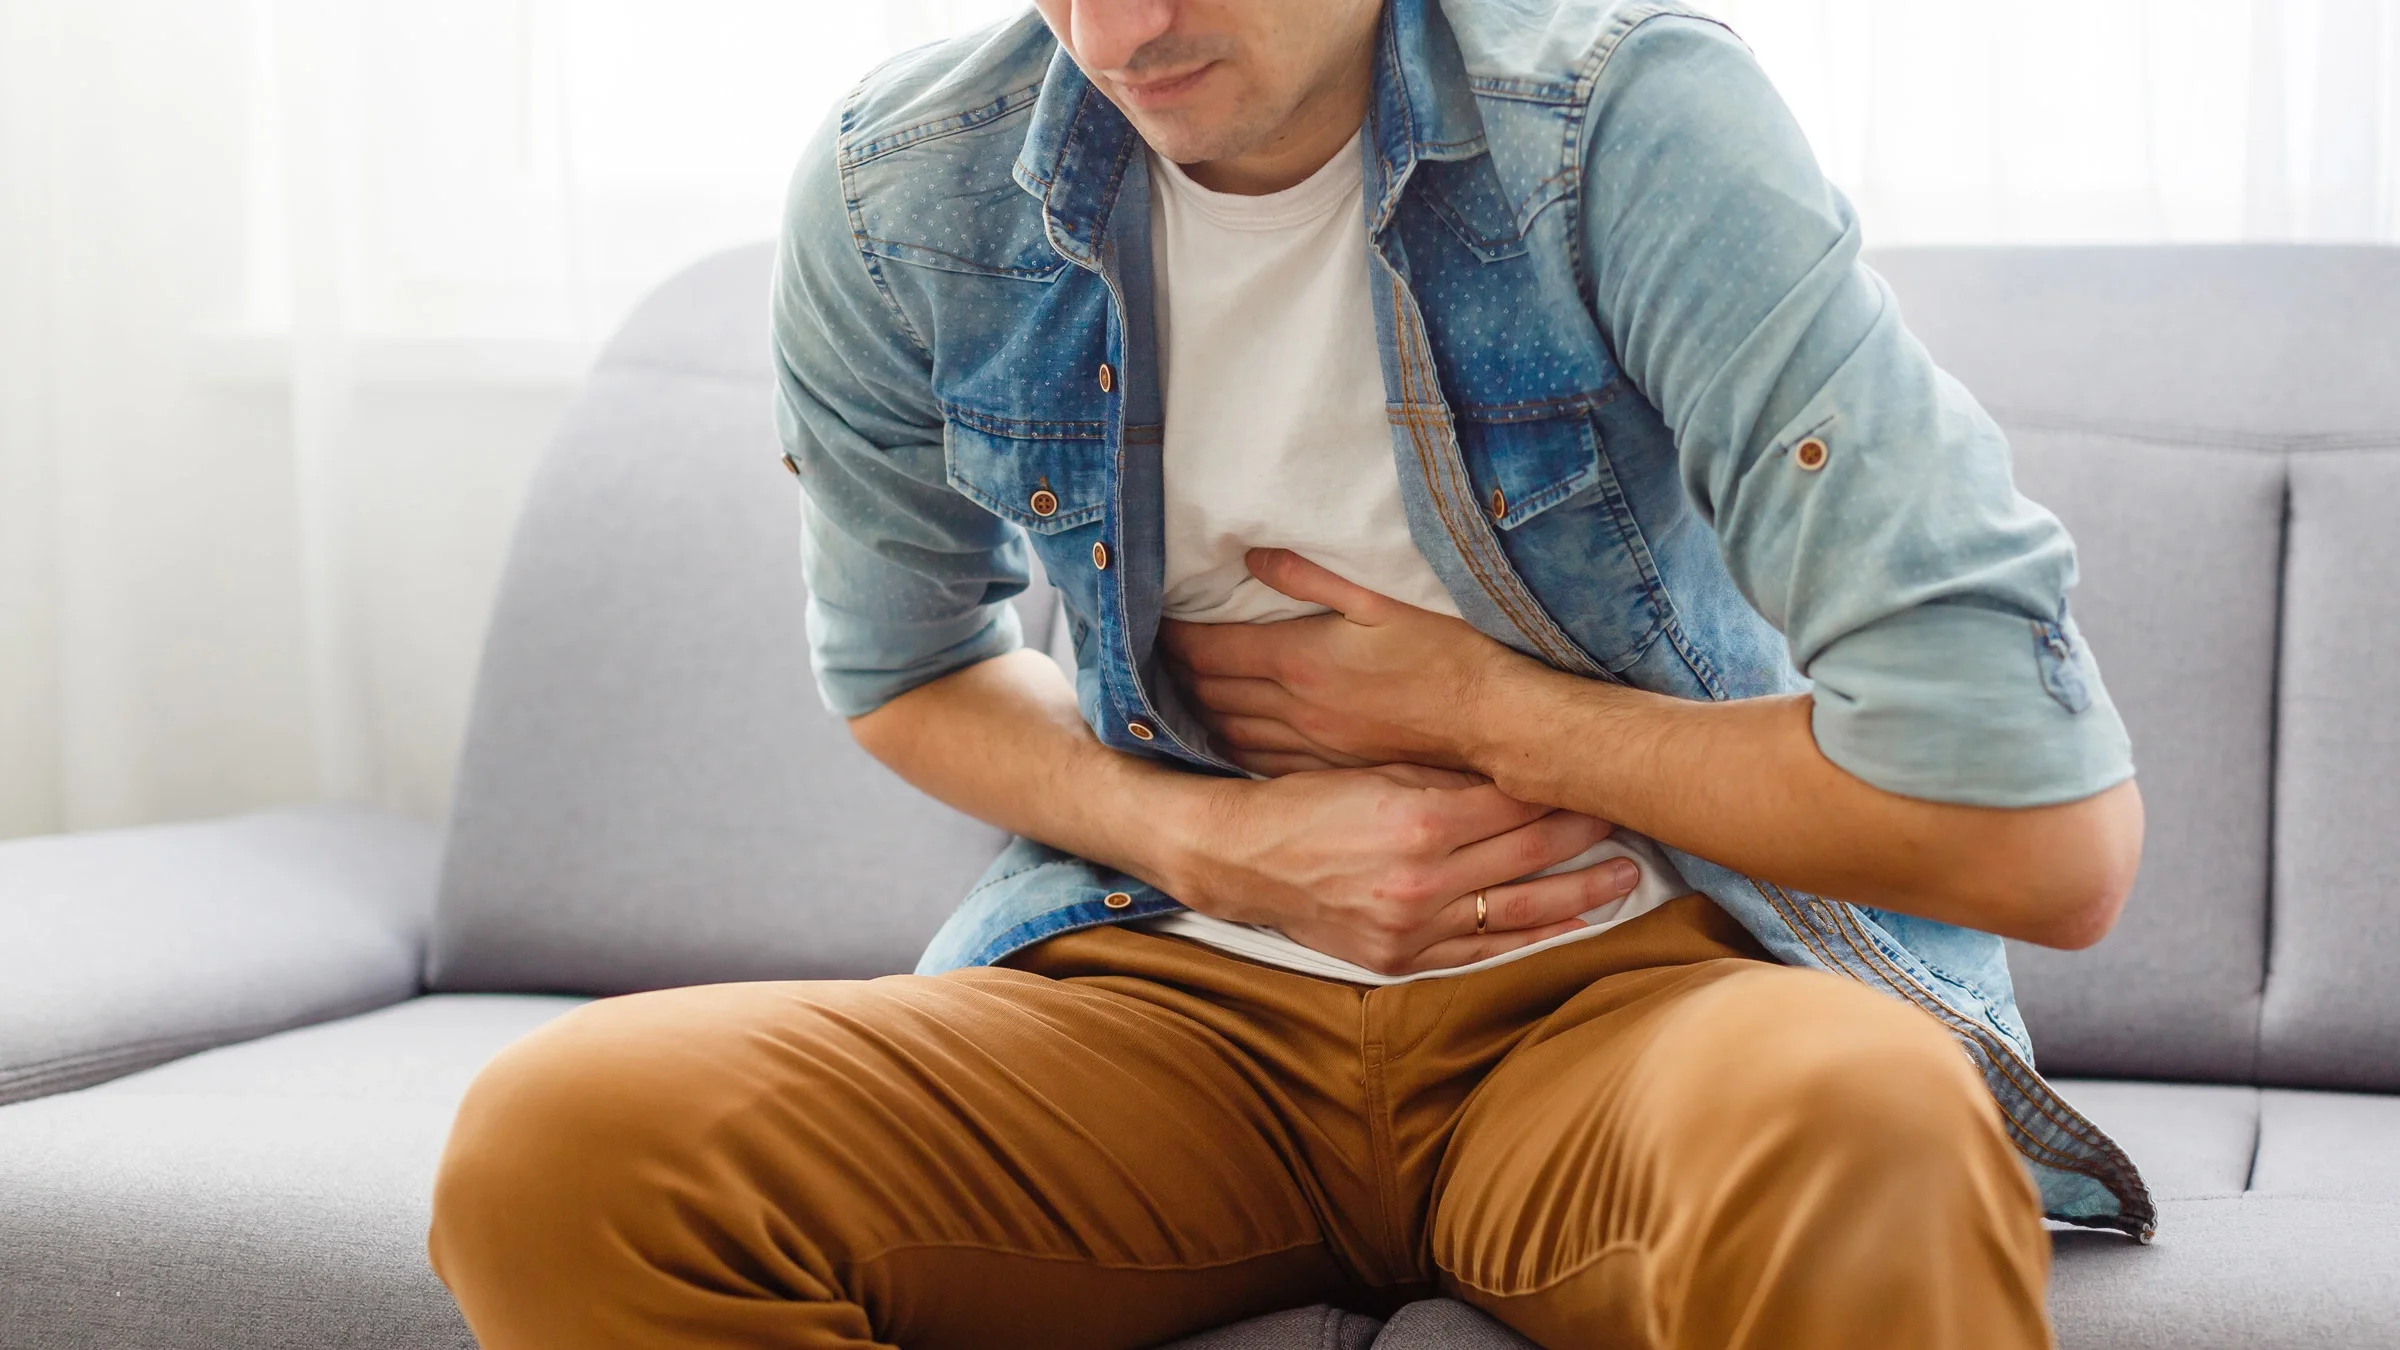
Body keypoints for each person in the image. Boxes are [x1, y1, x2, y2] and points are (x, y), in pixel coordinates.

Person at [428, 1, 2152, 1346]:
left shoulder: (1620, 127)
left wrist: (1492, 713)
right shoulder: (906, 190)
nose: (1114, 39)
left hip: (1639, 1000)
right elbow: (903, 671)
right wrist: (1210, 843)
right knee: (563, 1142)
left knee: (1869, 1120)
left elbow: (2047, 841)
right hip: (1167, 1013)